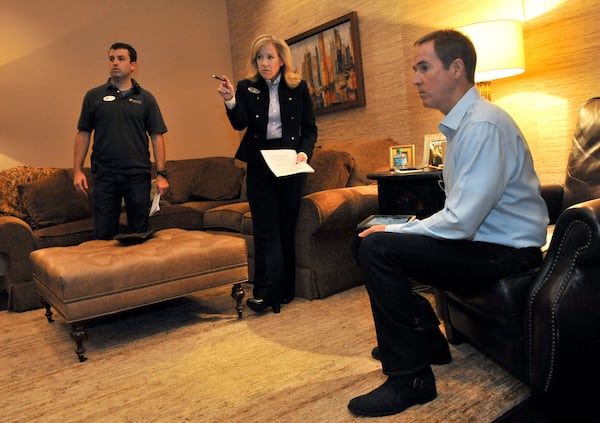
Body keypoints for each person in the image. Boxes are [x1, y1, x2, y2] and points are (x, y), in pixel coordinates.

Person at [347, 29, 549, 417]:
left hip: (507, 254)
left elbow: (460, 223)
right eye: (414, 69)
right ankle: (424, 338)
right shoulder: (463, 125)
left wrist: (396, 230)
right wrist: (395, 229)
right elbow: (460, 216)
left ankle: (411, 379)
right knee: (366, 237)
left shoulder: (483, 126)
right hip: (481, 244)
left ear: (457, 69)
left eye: (424, 67)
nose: (415, 79)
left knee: (377, 244)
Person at [215, 34, 318, 314]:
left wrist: (304, 153)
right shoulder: (246, 88)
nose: (264, 62)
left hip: (290, 164)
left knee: (285, 228)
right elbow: (240, 124)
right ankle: (263, 294)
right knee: (265, 229)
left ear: (282, 59)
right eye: (260, 57)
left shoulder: (298, 87)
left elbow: (310, 129)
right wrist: (231, 101)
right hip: (260, 164)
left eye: (270, 57)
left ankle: (285, 291)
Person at [73, 42, 169, 240]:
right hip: (105, 175)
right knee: (104, 235)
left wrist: (161, 174)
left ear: (133, 65)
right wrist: (77, 170)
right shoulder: (94, 96)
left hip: (138, 175)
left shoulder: (146, 98)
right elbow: (83, 133)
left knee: (138, 234)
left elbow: (157, 136)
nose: (115, 63)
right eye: (111, 59)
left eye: (121, 59)